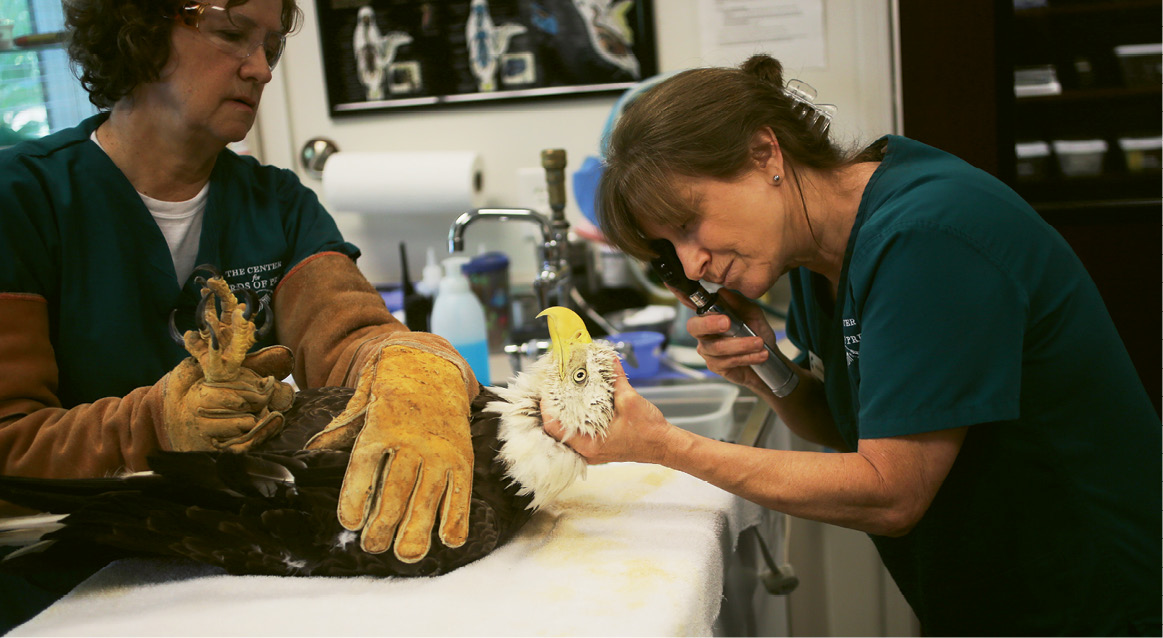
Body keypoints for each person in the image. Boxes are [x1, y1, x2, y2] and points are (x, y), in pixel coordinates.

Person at [545, 55, 1160, 635]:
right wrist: (769, 372)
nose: (694, 263)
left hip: (1100, 601)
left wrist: (663, 446)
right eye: (671, 250)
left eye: (688, 225)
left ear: (765, 153)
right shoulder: (821, 253)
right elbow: (858, 424)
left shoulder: (926, 237)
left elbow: (891, 492)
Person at [0, 0, 476, 630]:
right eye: (231, 34)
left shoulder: (279, 206)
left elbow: (347, 330)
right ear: (137, 29)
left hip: (237, 567)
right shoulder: (23, 202)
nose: (260, 70)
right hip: (63, 583)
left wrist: (409, 362)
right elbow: (9, 445)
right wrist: (158, 423)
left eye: (271, 46)